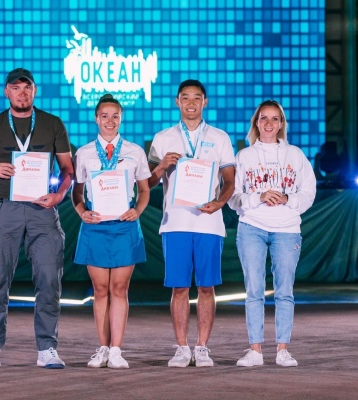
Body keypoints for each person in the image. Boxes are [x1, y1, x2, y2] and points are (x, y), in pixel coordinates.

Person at [0, 68, 74, 370]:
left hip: (42, 209)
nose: (22, 93)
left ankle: (47, 348)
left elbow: (68, 169)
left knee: (49, 281)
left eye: (27, 87)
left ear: (34, 91)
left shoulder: (52, 123)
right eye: (16, 88)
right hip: (5, 209)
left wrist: (59, 195)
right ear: (7, 92)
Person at [148, 80, 235, 368]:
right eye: (185, 98)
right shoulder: (163, 138)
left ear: (205, 102)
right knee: (179, 288)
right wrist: (162, 166)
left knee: (207, 287)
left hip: (209, 223)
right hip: (175, 222)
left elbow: (230, 180)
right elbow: (147, 183)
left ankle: (202, 347)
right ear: (177, 101)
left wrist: (219, 203)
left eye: (197, 98)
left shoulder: (220, 137)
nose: (191, 103)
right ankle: (182, 348)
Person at [228, 100, 316, 368]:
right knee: (254, 290)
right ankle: (255, 350)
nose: (268, 123)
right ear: (256, 122)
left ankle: (282, 350)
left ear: (281, 124)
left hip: (287, 229)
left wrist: (287, 198)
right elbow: (232, 197)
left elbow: (309, 192)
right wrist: (259, 197)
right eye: (263, 118)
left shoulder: (295, 155)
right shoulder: (244, 156)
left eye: (274, 119)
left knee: (284, 291)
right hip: (252, 227)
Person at [72, 94, 151, 369]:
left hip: (124, 225)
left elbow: (144, 190)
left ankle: (116, 350)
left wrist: (137, 210)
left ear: (121, 118)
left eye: (115, 116)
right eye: (104, 116)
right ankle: (102, 348)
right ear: (96, 118)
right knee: (100, 289)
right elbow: (77, 192)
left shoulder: (134, 151)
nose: (110, 121)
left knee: (119, 288)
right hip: (95, 226)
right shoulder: (84, 153)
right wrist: (82, 212)